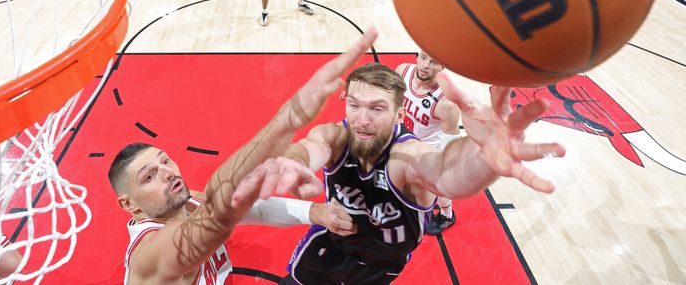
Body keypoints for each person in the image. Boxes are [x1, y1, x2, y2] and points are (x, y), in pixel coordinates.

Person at [234, 63, 565, 284]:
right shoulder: (336, 137)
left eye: (376, 108)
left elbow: (448, 176)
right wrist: (291, 162)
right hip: (332, 245)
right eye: (354, 105)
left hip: (383, 263)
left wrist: (485, 155)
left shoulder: (406, 155)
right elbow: (310, 147)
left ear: (399, 112)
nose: (362, 119)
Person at [108, 29, 377, 284]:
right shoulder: (148, 256)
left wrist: (315, 211)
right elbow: (217, 215)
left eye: (165, 161)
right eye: (149, 176)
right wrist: (286, 121)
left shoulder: (187, 202)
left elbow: (252, 210)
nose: (166, 172)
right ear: (130, 205)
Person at [396, 50, 461, 235]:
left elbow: (451, 144)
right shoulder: (403, 71)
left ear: (442, 67)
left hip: (429, 148)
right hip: (404, 136)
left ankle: (447, 214)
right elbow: (385, 90)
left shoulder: (447, 102)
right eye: (423, 58)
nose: (425, 65)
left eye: (433, 62)